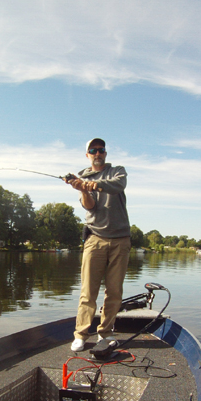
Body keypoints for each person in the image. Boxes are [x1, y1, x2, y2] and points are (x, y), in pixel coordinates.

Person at [68, 138, 131, 352]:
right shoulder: (82, 178)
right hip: (95, 238)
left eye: (101, 149)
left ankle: (106, 332)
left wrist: (97, 184)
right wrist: (84, 189)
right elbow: (90, 207)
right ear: (87, 155)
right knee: (88, 291)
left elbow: (118, 185)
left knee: (114, 291)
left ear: (105, 153)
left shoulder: (117, 171)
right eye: (93, 150)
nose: (97, 153)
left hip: (121, 239)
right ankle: (81, 335)